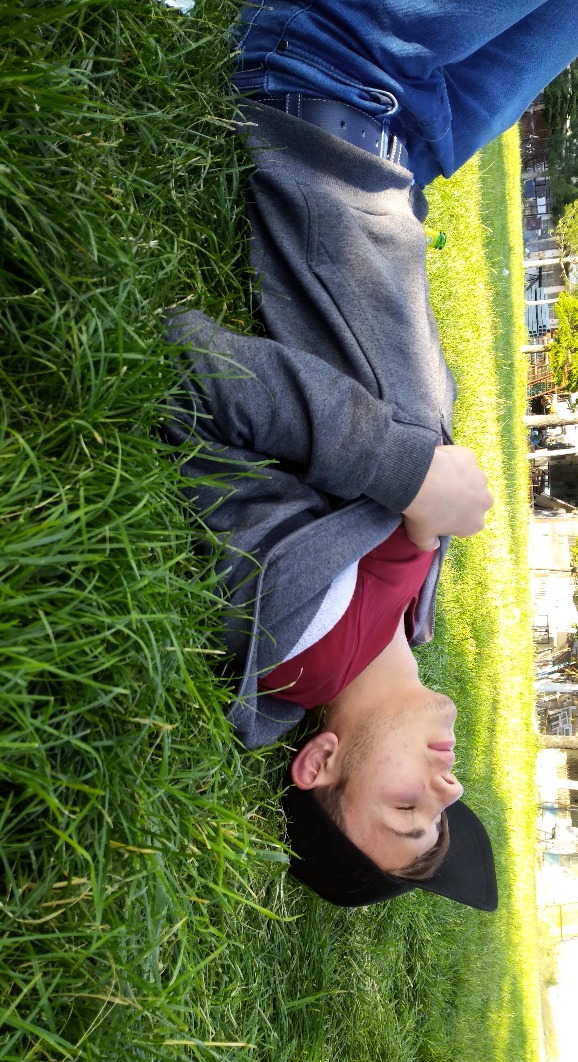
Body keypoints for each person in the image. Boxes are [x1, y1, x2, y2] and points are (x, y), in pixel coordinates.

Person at [162, 3, 578, 911]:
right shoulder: (402, 618)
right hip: (417, 138)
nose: (448, 788)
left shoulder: (289, 635)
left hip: (332, 70)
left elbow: (189, 374)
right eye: (446, 812)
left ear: (319, 762)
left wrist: (409, 473)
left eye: (405, 812)